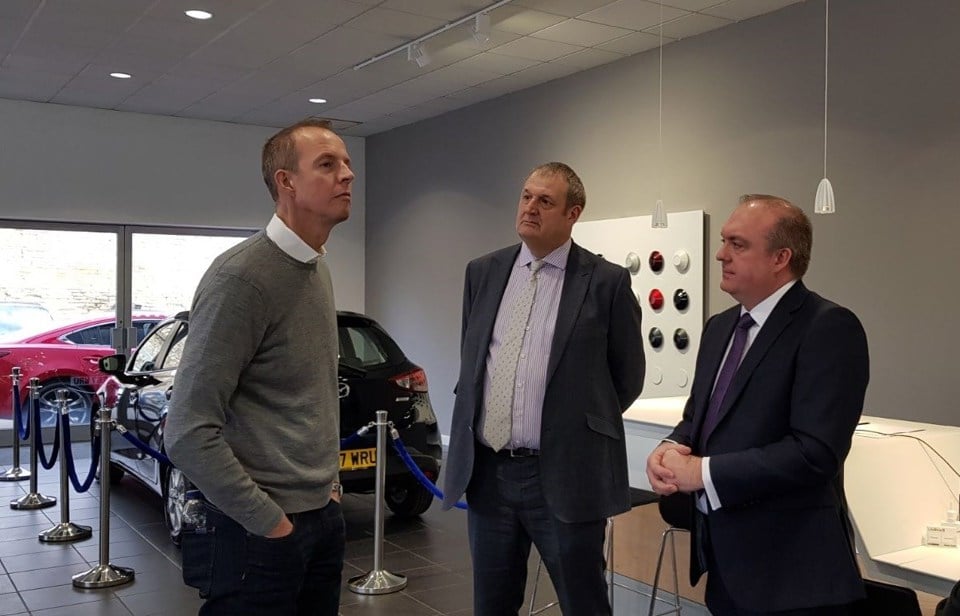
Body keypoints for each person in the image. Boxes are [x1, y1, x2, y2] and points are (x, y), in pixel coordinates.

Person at [165, 118, 354, 616]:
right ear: (285, 182)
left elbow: (307, 396)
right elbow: (186, 430)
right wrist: (269, 521)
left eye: (347, 163)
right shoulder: (241, 279)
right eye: (328, 164)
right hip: (258, 534)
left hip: (319, 517)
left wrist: (329, 490)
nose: (348, 175)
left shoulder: (316, 268)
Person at [646, 194, 870, 615]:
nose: (720, 254)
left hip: (793, 576)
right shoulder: (719, 328)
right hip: (726, 566)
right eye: (724, 242)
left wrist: (703, 472)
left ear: (780, 257)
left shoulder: (828, 328)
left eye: (737, 244)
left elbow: (815, 452)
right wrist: (670, 448)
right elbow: (696, 420)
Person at [442, 162, 645, 615]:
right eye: (526, 196)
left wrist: (574, 423)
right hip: (489, 473)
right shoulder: (483, 272)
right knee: (492, 604)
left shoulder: (605, 282)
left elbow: (626, 377)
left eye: (545, 201)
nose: (530, 207)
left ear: (572, 214)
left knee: (583, 602)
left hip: (564, 475)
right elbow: (474, 361)